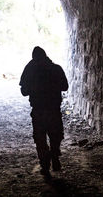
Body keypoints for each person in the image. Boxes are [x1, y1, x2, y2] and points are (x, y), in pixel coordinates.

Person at [19, 46, 68, 177]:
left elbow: (24, 91)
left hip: (39, 110)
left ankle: (45, 165)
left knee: (40, 139)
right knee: (55, 135)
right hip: (54, 109)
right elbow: (65, 86)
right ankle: (55, 156)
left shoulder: (30, 69)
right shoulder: (56, 68)